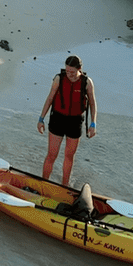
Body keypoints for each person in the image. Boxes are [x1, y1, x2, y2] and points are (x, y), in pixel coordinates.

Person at [37, 55, 98, 185]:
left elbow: (92, 104)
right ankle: (43, 182)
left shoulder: (86, 82)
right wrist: (41, 119)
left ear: (79, 69)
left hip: (75, 122)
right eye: (67, 70)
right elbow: (49, 99)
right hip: (58, 119)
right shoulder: (59, 79)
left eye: (72, 71)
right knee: (51, 155)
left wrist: (93, 124)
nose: (69, 74)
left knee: (69, 157)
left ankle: (65, 186)